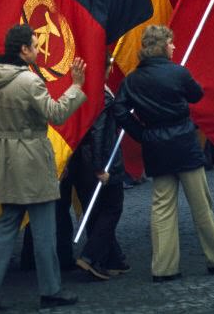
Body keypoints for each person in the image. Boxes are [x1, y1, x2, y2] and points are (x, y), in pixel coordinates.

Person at [0, 24, 86, 312]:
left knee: (6, 225)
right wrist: (76, 86)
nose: (38, 50)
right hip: (32, 158)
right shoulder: (29, 82)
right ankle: (51, 290)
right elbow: (57, 114)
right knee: (44, 228)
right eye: (35, 45)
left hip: (3, 160)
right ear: (23, 50)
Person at [113, 25, 214, 282]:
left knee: (162, 207)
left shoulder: (132, 80)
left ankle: (164, 267)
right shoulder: (178, 72)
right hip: (183, 141)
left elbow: (120, 110)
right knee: (201, 203)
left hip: (155, 144)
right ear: (161, 45)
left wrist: (141, 134)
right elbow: (197, 94)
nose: (174, 47)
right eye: (170, 43)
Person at [75, 53, 128, 281]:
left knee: (96, 211)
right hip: (101, 160)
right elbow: (98, 132)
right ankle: (90, 257)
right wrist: (100, 167)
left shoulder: (80, 90)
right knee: (112, 208)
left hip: (81, 160)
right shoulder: (101, 95)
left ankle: (113, 260)